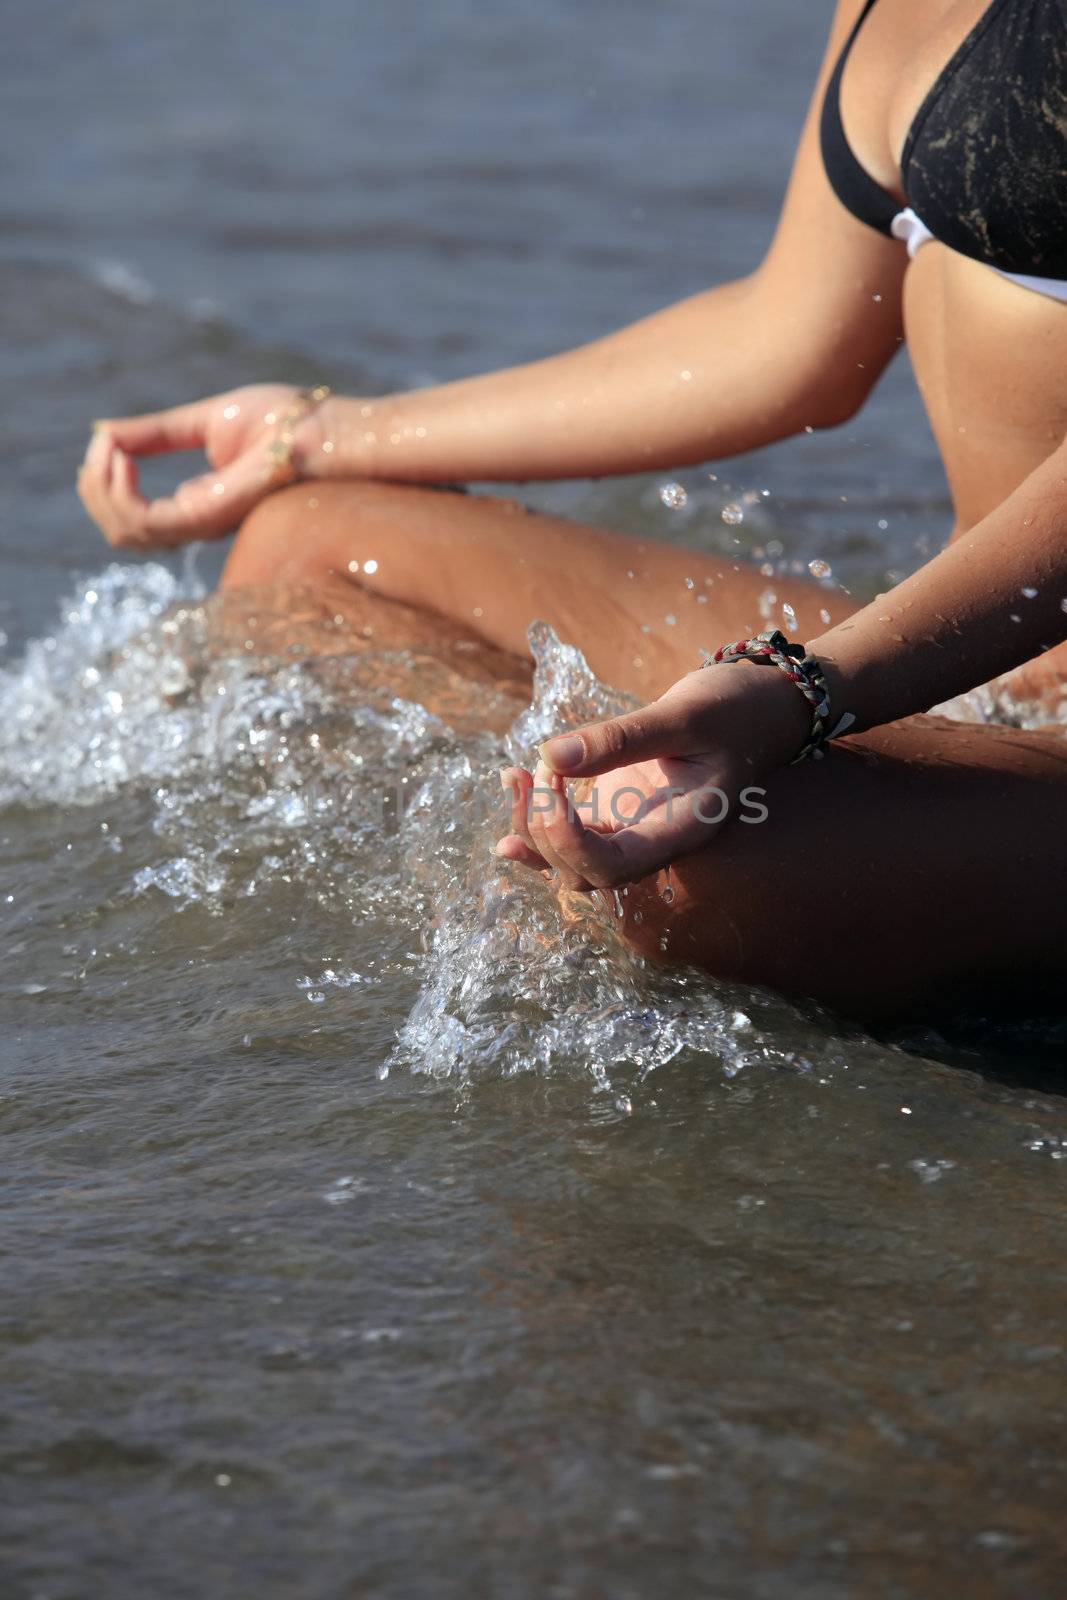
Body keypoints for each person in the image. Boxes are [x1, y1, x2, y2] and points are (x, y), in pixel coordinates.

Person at [77, 0, 1067, 1017]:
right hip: (966, 663)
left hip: (941, 685)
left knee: (664, 863)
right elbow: (788, 339)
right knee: (304, 550)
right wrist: (319, 436)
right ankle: (527, 823)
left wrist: (801, 692)